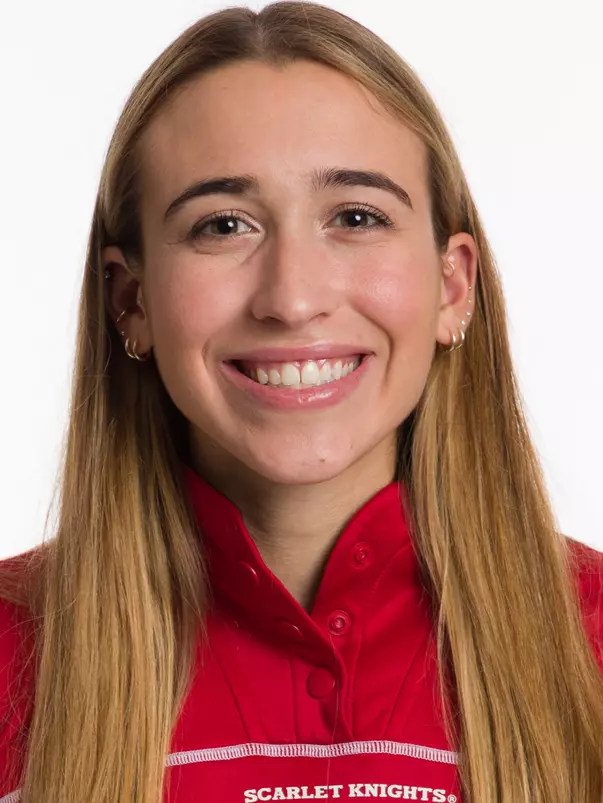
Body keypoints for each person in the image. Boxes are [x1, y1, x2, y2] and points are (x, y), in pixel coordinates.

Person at [1, 2, 602, 802]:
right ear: (129, 300)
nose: (291, 298)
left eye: (356, 217)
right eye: (223, 225)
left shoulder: (590, 644)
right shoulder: (14, 649)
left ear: (453, 285)